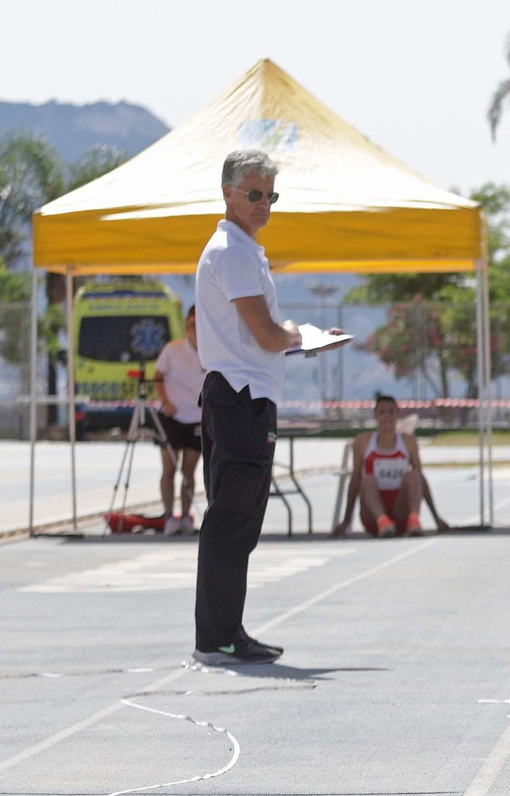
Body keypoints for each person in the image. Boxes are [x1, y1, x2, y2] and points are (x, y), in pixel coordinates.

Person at [192, 149, 348, 665]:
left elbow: (260, 335)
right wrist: (301, 335)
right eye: (254, 194)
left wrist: (301, 339)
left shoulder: (240, 250)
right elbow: (264, 335)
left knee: (237, 520)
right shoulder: (234, 252)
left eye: (270, 195)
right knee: (233, 519)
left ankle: (225, 632)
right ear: (228, 193)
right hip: (241, 397)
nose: (263, 204)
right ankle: (218, 638)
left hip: (239, 394)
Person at [332, 394, 451, 538]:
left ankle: (413, 519)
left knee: (413, 474)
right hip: (372, 515)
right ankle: (382, 520)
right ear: (375, 416)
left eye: (390, 412)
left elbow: (420, 480)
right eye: (381, 412)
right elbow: (355, 479)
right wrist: (346, 520)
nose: (386, 417)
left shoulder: (408, 442)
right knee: (367, 479)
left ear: (397, 415)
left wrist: (436, 518)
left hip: (400, 510)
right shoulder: (363, 442)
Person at [153, 306, 206, 535]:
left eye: (199, 325)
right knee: (169, 468)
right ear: (186, 327)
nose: (195, 330)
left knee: (189, 470)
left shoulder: (211, 352)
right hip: (171, 417)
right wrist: (165, 402)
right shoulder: (172, 350)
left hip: (197, 418)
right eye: (192, 325)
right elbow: (157, 378)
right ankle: (168, 515)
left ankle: (185, 516)